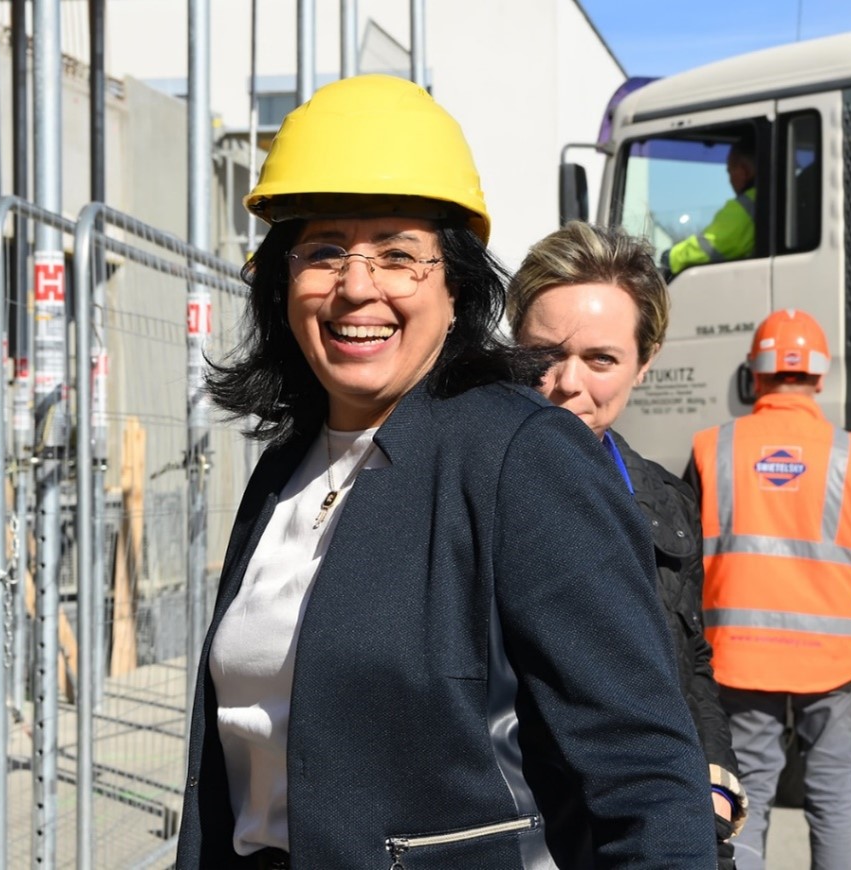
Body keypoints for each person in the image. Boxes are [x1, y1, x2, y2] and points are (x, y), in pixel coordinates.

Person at [175, 74, 717, 869]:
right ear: (281, 282)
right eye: (323, 252)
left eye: (399, 255)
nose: (357, 287)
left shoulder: (522, 458)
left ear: (457, 286)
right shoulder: (283, 470)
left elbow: (643, 775)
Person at [508, 221, 749, 870]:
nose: (565, 383)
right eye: (542, 355)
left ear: (645, 363)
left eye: (601, 360)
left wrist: (715, 767)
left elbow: (690, 656)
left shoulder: (664, 501)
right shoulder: (460, 488)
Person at [684, 309, 851, 870]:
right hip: (829, 664)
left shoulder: (712, 449)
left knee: (745, 792)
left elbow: (680, 562)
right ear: (821, 378)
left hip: (739, 662)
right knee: (832, 793)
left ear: (754, 372)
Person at [666, 141, 756, 275]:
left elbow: (712, 245)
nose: (730, 180)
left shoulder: (747, 204)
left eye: (730, 171)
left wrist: (671, 257)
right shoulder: (780, 195)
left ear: (744, 171)